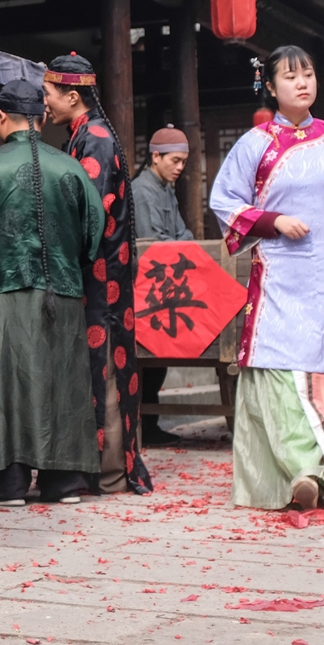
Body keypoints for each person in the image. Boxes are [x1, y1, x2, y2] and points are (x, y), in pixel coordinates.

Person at [209, 46, 324, 511]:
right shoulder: (254, 144)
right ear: (270, 87)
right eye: (290, 77)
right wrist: (273, 221)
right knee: (282, 374)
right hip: (279, 277)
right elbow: (224, 202)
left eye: (308, 74)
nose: (303, 83)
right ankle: (301, 472)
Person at [0, 80, 103, 505]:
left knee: (6, 385)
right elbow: (92, 233)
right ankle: (63, 484)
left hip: (2, 288)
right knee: (62, 381)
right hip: (62, 288)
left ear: (1, 117)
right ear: (41, 117)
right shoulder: (72, 167)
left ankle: (7, 486)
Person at [42, 54, 151, 494]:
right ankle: (99, 467)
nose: (43, 103)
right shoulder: (83, 136)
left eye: (48, 94)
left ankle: (108, 470)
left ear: (72, 96)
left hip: (102, 277)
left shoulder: (96, 140)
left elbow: (89, 211)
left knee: (102, 362)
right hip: (98, 273)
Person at [132, 124, 192, 447]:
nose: (180, 168)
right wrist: (178, 242)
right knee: (150, 358)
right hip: (148, 285)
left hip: (166, 284)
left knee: (160, 357)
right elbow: (150, 242)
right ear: (156, 156)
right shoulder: (142, 190)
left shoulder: (165, 189)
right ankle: (147, 425)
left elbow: (183, 233)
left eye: (183, 162)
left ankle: (152, 425)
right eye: (175, 161)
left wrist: (179, 242)